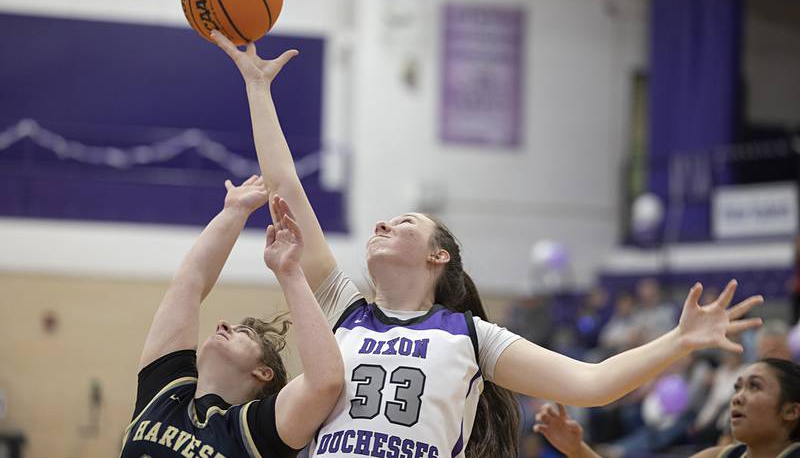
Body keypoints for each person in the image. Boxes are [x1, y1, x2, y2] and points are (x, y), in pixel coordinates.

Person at [210, 30, 765, 458]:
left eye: (403, 222)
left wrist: (679, 341)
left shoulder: (473, 337)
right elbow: (286, 193)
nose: (381, 225)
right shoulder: (343, 310)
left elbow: (590, 383)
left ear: (438, 255)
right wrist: (258, 89)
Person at [120, 176, 344, 457]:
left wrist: (289, 272)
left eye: (244, 333)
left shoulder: (256, 430)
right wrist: (234, 211)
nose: (223, 324)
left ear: (263, 372)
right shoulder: (165, 390)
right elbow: (190, 281)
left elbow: (325, 381)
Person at [533, 358, 800, 458]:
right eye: (737, 387)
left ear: (791, 411)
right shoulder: (720, 455)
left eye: (754, 387)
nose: (738, 397)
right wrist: (576, 449)